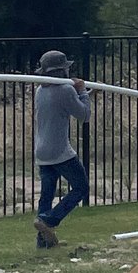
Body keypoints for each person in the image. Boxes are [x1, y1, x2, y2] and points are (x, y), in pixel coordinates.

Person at [31, 50, 91, 248]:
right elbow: (83, 115)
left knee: (46, 195)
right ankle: (50, 221)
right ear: (63, 70)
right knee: (81, 187)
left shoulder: (41, 90)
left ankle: (44, 242)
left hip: (42, 151)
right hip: (60, 152)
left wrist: (83, 94)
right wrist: (82, 92)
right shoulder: (65, 90)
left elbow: (64, 107)